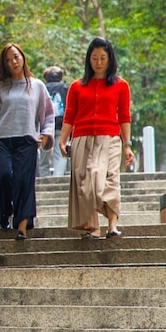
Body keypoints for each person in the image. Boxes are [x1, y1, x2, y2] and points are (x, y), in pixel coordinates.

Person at [0, 43, 54, 240]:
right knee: (2, 177)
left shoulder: (37, 86)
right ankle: (4, 211)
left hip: (27, 140)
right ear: (4, 64)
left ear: (22, 57)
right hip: (0, 139)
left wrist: (46, 134)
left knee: (24, 181)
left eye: (16, 57)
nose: (13, 61)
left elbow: (47, 114)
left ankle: (21, 227)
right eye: (8, 59)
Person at [58, 37, 135, 239]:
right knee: (87, 184)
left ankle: (112, 225)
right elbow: (70, 115)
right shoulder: (76, 86)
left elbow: (124, 116)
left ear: (110, 59)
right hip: (82, 139)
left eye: (103, 58)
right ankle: (94, 227)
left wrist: (127, 145)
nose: (99, 62)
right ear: (88, 60)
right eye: (94, 58)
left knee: (110, 180)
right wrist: (62, 139)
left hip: (110, 138)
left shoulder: (121, 86)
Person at [38, 66, 71, 177]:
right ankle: (57, 177)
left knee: (44, 154)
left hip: (44, 125)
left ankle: (44, 177)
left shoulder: (41, 88)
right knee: (60, 153)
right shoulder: (65, 88)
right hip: (62, 125)